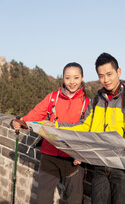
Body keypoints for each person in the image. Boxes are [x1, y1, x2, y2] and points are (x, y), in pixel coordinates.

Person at [54, 53, 125, 204]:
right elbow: (84, 126)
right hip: (100, 166)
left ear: (119, 72)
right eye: (101, 76)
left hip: (123, 167)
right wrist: (57, 125)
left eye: (109, 74)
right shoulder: (97, 100)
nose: (106, 80)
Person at [12, 62, 90, 204]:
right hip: (49, 155)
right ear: (63, 78)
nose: (72, 82)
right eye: (67, 78)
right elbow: (36, 114)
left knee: (75, 200)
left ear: (82, 78)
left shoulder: (88, 103)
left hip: (73, 158)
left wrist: (82, 153)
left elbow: (89, 130)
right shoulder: (53, 97)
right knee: (43, 199)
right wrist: (20, 121)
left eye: (76, 78)